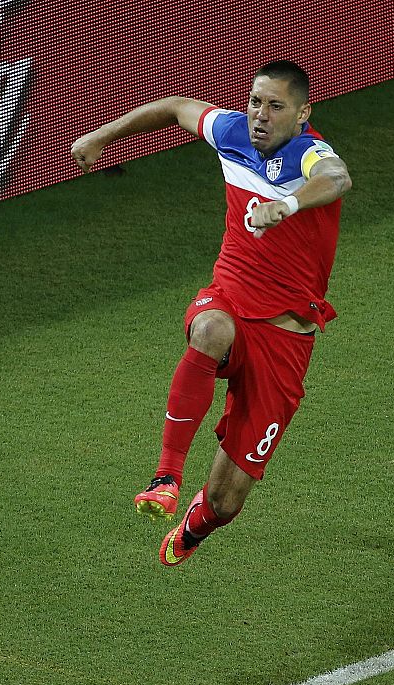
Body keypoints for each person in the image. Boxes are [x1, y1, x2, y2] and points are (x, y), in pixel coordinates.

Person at [71, 60, 352, 566]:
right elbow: (178, 107)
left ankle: (197, 523)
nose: (259, 116)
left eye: (275, 106)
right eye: (254, 101)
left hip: (285, 341)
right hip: (228, 304)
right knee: (211, 328)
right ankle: (165, 478)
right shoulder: (232, 132)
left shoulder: (311, 153)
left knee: (227, 500)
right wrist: (103, 134)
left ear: (302, 112)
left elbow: (337, 177)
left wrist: (286, 205)